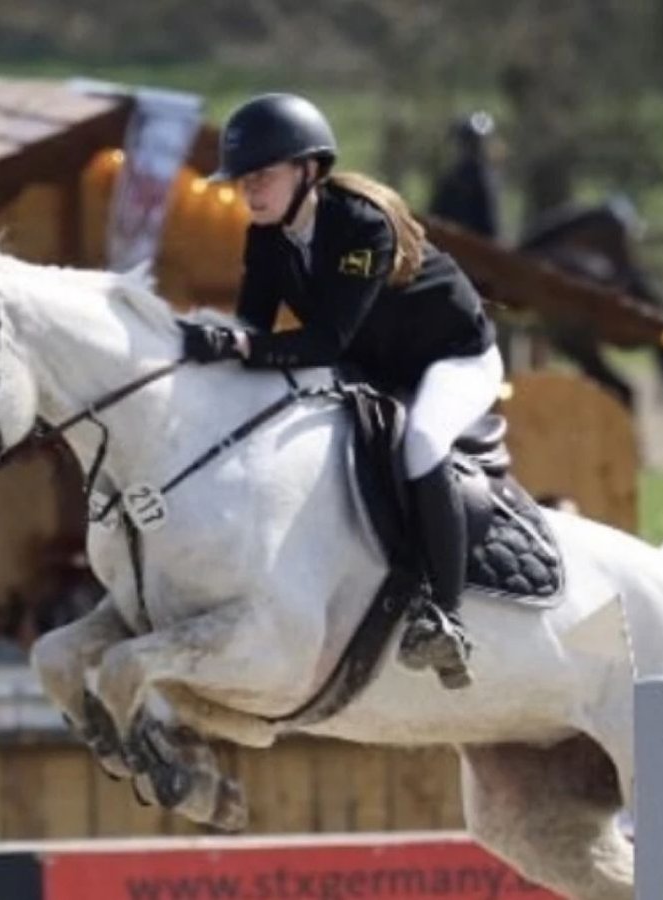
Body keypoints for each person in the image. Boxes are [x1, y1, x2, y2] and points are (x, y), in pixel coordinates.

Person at [179, 93, 503, 689]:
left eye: (263, 177)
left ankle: (445, 615)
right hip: (370, 361)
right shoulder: (267, 238)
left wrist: (241, 349)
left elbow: (324, 340)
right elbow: (251, 330)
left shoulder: (360, 224)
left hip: (452, 359)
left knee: (423, 441)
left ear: (309, 170)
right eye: (243, 180)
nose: (250, 192)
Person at [428, 110, 503, 241]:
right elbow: (436, 214)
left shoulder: (485, 181)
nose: (471, 149)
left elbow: (489, 229)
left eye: (475, 144)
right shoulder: (451, 179)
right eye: (468, 142)